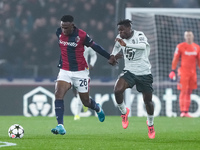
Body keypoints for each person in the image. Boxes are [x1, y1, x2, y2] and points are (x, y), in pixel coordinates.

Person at [51, 15, 117, 135]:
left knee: (85, 102)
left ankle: (97, 108)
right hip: (65, 70)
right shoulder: (59, 32)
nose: (64, 30)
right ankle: (60, 125)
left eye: (66, 27)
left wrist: (109, 57)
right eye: (62, 27)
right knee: (58, 94)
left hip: (81, 72)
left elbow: (96, 47)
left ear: (72, 25)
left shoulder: (81, 35)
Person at [108, 19, 155, 139]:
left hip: (144, 73)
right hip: (129, 71)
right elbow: (116, 47)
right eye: (119, 30)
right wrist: (113, 56)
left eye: (122, 30)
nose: (120, 33)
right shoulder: (120, 37)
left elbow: (142, 46)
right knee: (117, 90)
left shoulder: (139, 35)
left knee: (148, 102)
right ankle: (124, 112)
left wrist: (126, 44)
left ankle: (150, 124)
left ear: (129, 28)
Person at [169, 31, 200, 118]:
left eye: (190, 35)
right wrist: (173, 70)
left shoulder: (197, 48)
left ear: (193, 36)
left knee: (189, 92)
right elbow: (175, 59)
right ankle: (183, 111)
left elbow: (199, 61)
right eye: (187, 35)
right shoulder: (180, 46)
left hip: (193, 74)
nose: (188, 37)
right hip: (183, 73)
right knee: (183, 91)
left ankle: (186, 111)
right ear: (184, 37)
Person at [73, 46, 97, 120]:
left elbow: (93, 55)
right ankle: (87, 100)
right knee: (76, 93)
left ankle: (77, 114)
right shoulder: (68, 41)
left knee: (80, 92)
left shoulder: (87, 43)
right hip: (70, 71)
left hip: (83, 71)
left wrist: (92, 64)